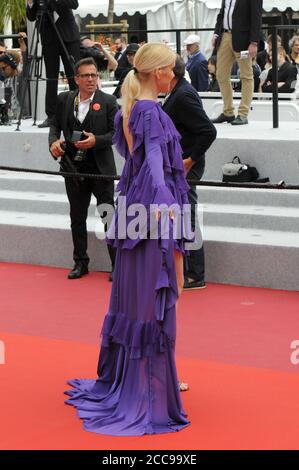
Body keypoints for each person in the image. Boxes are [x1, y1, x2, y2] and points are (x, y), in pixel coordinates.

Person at [65, 43, 191, 436]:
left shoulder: (130, 109)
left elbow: (130, 153)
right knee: (165, 290)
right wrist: (168, 199)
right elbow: (152, 158)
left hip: (137, 209)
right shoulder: (150, 110)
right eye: (171, 69)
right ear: (158, 73)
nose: (175, 75)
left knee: (140, 293)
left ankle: (149, 375)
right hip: (156, 211)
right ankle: (155, 383)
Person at [49, 58, 118, 280]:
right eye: (86, 75)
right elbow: (54, 125)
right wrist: (54, 142)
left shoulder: (108, 101)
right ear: (76, 79)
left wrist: (96, 140)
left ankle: (117, 265)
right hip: (73, 168)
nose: (91, 79)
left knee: (109, 215)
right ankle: (80, 262)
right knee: (76, 216)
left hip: (100, 168)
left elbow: (116, 134)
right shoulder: (64, 99)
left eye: (94, 75)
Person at [163, 55, 217, 290]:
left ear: (169, 71)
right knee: (183, 216)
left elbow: (208, 131)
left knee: (188, 216)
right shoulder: (178, 92)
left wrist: (190, 160)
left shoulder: (183, 95)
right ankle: (188, 270)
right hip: (180, 164)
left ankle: (196, 273)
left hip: (186, 167)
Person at [26, 0, 81, 128]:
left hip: (68, 36)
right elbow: (31, 17)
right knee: (51, 78)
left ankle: (78, 113)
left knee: (74, 75)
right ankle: (51, 116)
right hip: (48, 37)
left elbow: (74, 3)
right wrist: (30, 3)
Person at [212, 0, 263, 125]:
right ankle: (228, 112)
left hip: (244, 40)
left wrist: (254, 42)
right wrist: (216, 33)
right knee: (221, 74)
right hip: (224, 36)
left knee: (246, 76)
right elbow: (222, 14)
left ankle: (243, 113)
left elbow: (256, 17)